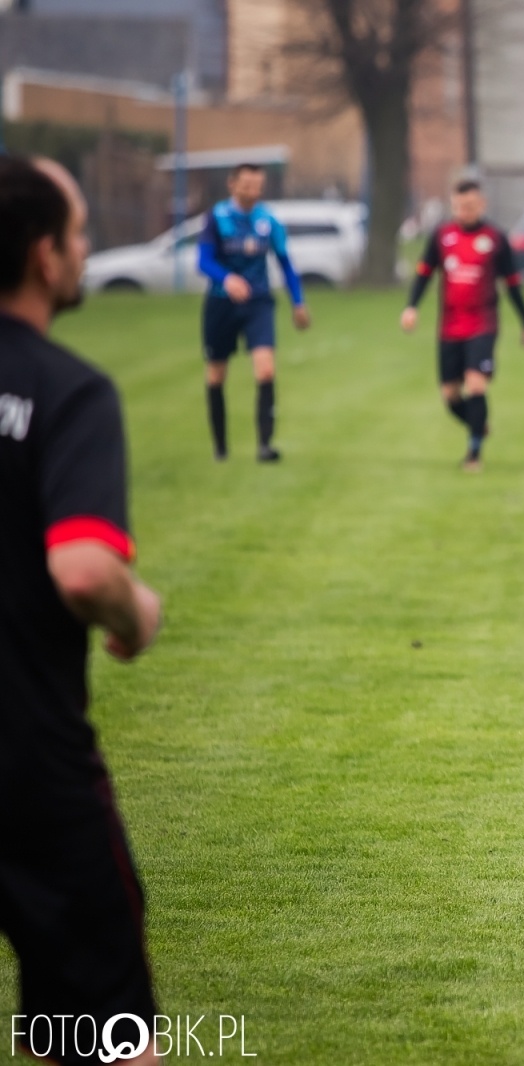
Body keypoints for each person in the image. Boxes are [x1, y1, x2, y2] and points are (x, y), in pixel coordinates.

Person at [1, 156, 164, 1066]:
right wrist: (135, 613)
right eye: (79, 232)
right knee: (105, 1038)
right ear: (44, 256)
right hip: (29, 769)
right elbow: (82, 568)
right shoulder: (68, 391)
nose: (86, 248)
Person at [400, 178, 524, 471]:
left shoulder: (496, 239)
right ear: (453, 206)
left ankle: (474, 454)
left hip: (482, 325)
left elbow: (512, 285)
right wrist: (411, 307)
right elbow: (424, 274)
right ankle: (478, 424)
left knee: (476, 384)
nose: (465, 211)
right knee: (450, 394)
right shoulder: (441, 236)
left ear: (482, 205)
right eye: (460, 206)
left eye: (471, 206)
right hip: (449, 327)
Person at [196, 162, 309, 463]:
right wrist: (227, 279)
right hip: (221, 303)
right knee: (217, 373)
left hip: (258, 303)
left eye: (257, 185)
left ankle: (264, 446)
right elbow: (203, 261)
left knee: (266, 369)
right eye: (246, 184)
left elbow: (286, 263)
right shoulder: (217, 218)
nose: (252, 191)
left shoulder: (268, 222)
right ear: (232, 185)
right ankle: (220, 446)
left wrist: (298, 302)